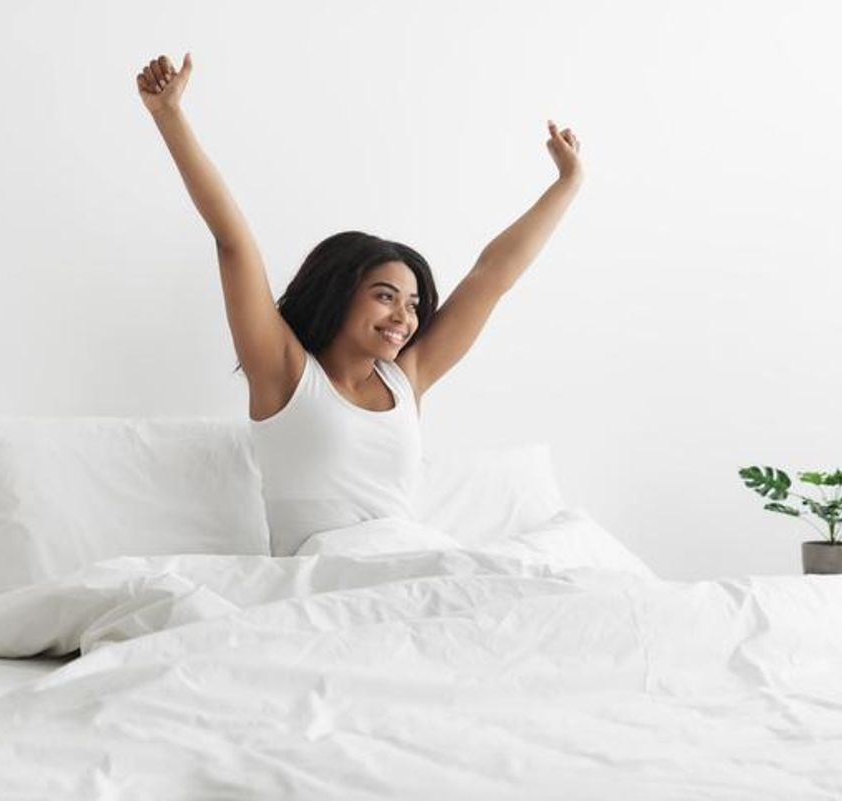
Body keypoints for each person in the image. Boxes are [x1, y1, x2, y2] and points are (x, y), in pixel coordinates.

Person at [136, 52, 583, 554]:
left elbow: (490, 277)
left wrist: (566, 186)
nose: (404, 318)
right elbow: (234, 243)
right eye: (386, 297)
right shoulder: (285, 373)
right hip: (324, 579)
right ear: (339, 294)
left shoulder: (406, 378)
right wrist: (169, 116)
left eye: (413, 305)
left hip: (411, 564)